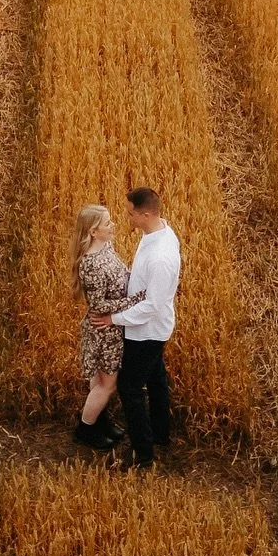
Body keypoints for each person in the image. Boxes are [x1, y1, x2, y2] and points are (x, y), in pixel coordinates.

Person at [91, 186, 179, 469]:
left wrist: (112, 319)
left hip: (148, 331)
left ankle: (143, 454)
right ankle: (161, 434)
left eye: (131, 214)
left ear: (146, 213)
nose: (127, 218)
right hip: (151, 327)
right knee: (155, 379)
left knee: (129, 387)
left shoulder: (161, 257)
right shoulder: (157, 231)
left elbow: (152, 305)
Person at [72, 204, 128, 450]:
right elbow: (98, 305)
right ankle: (85, 429)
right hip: (103, 330)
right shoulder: (91, 264)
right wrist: (135, 299)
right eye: (107, 224)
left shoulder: (107, 246)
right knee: (107, 384)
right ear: (93, 231)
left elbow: (121, 272)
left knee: (100, 382)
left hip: (111, 327)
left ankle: (99, 421)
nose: (112, 225)